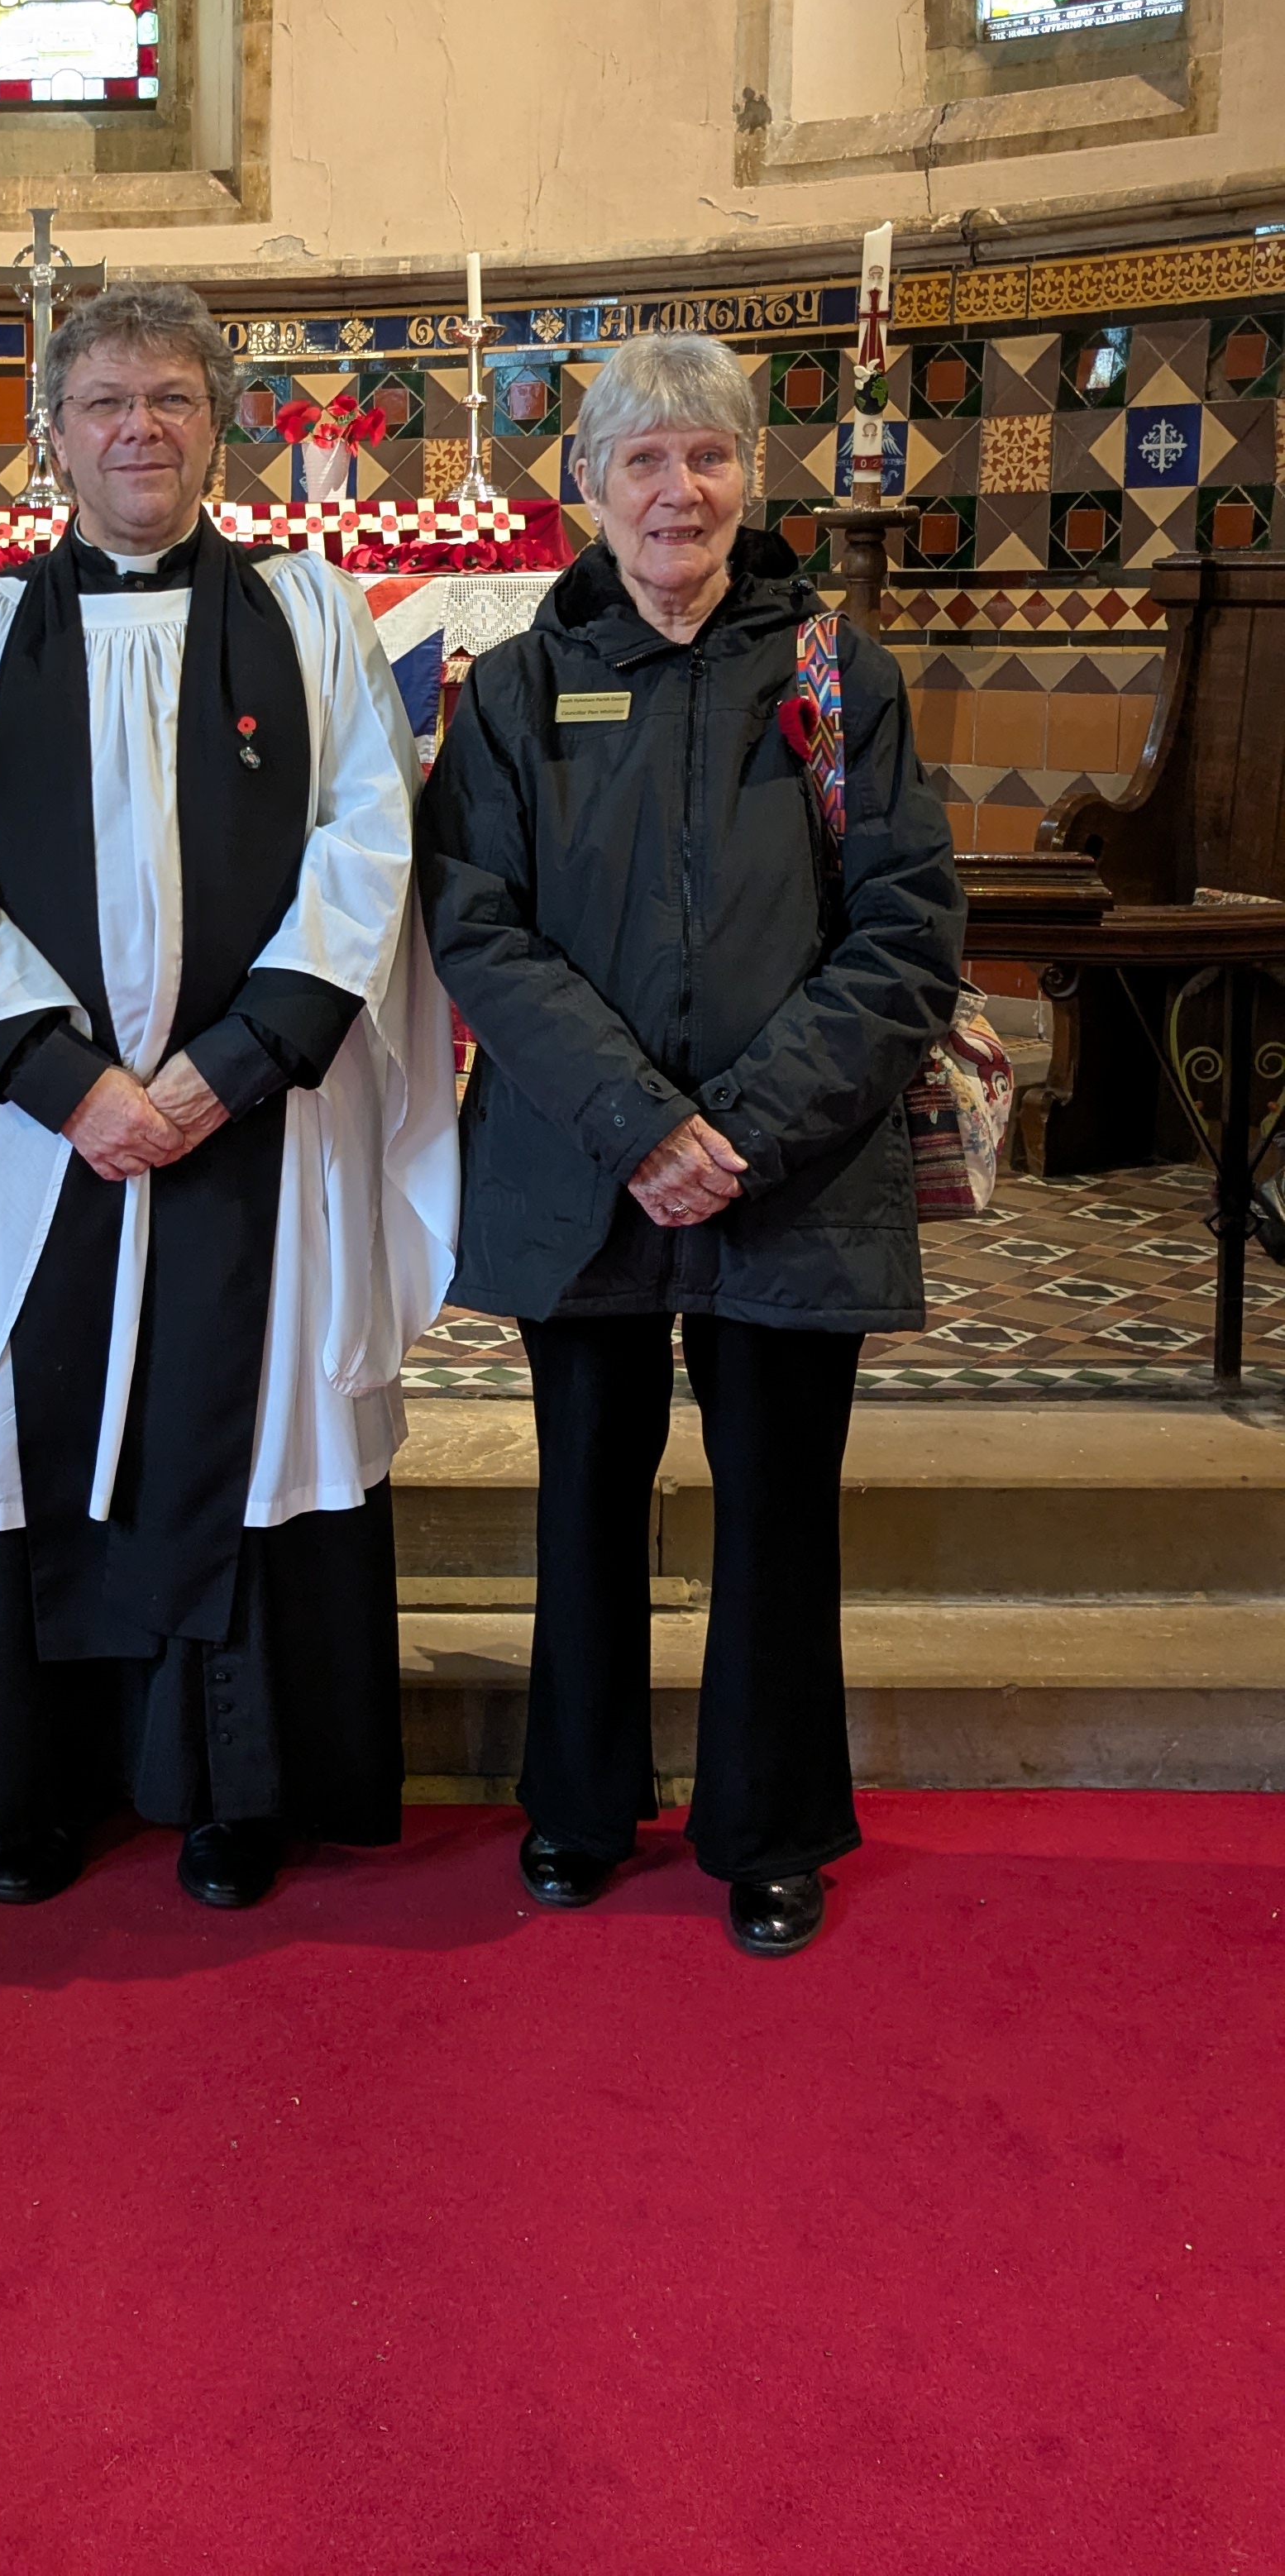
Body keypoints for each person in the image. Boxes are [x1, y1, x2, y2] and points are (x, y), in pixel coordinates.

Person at [0, 284, 457, 1912]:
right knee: (37, 1433)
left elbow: (368, 843)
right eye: (105, 401)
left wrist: (225, 1073)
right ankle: (24, 1789)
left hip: (259, 1119)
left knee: (248, 1426)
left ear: (218, 421)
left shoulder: (314, 618)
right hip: (36, 1139)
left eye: (171, 399)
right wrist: (74, 1090)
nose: (138, 429)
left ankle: (235, 1794)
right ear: (54, 430)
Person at [416, 335, 964, 1958]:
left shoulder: (829, 675)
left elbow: (906, 926)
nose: (678, 490)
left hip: (792, 1171)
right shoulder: (518, 685)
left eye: (707, 456)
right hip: (585, 1165)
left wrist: (745, 1126)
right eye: (641, 461)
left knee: (779, 1502)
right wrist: (641, 1121)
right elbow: (479, 923)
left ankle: (769, 1825)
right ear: (584, 488)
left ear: (751, 479)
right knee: (587, 1489)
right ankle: (581, 1807)